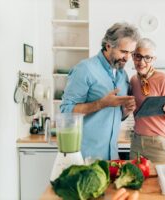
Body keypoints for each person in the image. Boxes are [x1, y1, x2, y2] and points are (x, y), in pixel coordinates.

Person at [60, 22, 140, 160]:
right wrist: (101, 104)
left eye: (131, 53)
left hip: (111, 156)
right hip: (85, 157)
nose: (127, 58)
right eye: (123, 52)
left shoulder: (122, 75)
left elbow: (114, 116)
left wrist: (126, 110)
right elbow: (66, 112)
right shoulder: (84, 69)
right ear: (108, 46)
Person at [129, 38, 165, 163]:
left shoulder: (163, 79)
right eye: (138, 56)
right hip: (137, 143)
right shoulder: (133, 80)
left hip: (159, 144)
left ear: (153, 59)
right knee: (134, 181)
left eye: (147, 58)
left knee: (162, 181)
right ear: (133, 56)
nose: (141, 62)